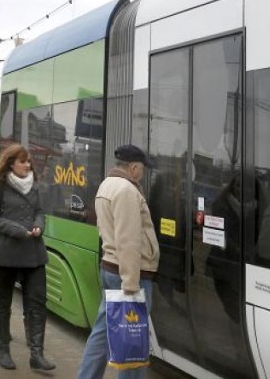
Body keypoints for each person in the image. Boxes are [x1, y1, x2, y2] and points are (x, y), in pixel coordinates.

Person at [77, 144, 160, 379]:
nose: (143, 173)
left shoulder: (107, 185)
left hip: (112, 267)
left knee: (103, 334)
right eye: (142, 168)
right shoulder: (126, 191)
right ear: (134, 167)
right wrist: (131, 285)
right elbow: (129, 241)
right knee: (132, 337)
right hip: (130, 275)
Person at [0, 144, 55, 371]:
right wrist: (17, 229)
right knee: (3, 302)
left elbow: (40, 212)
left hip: (34, 253)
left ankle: (37, 354)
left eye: (28, 161)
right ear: (11, 163)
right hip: (7, 253)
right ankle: (3, 350)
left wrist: (38, 226)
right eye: (23, 161)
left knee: (37, 303)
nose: (27, 165)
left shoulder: (35, 185)